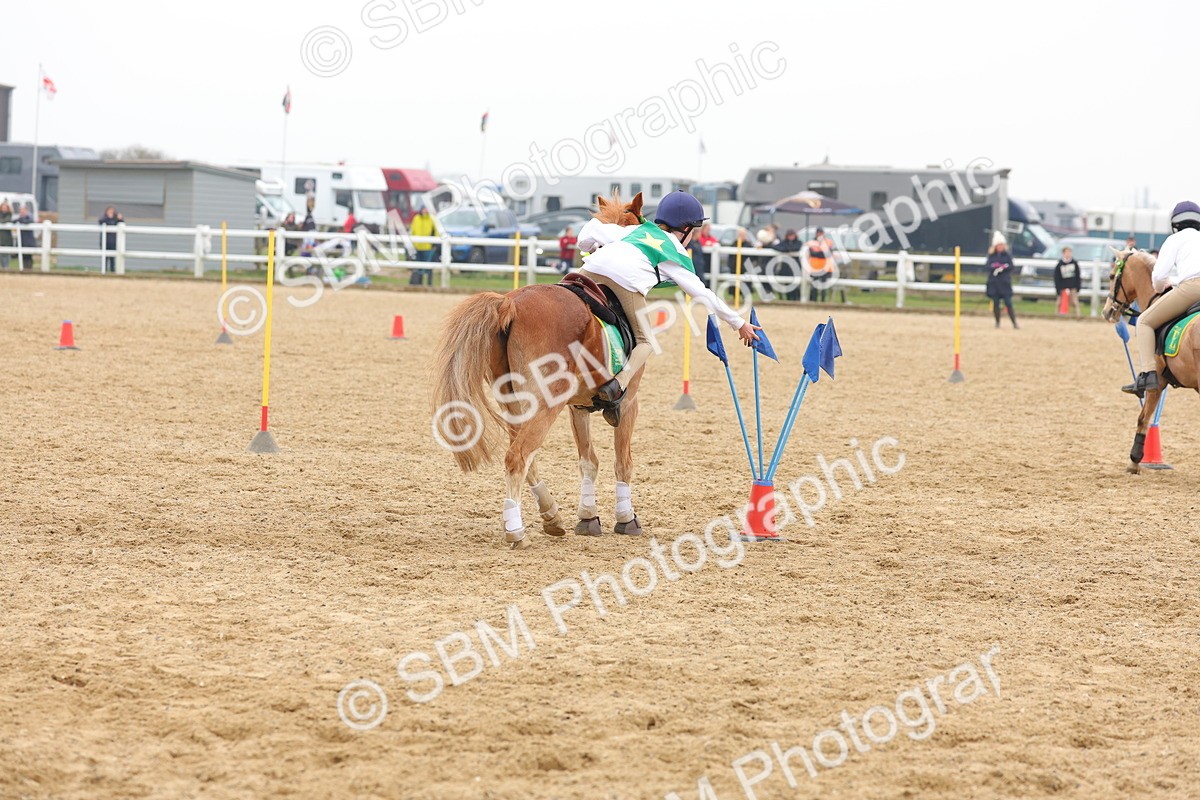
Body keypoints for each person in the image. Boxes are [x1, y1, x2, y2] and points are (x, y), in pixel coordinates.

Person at [575, 191, 759, 426]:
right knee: (645, 342)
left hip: (587, 272)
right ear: (684, 229)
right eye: (694, 231)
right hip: (625, 283)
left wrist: (591, 246)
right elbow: (702, 293)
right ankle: (616, 386)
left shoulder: (635, 230)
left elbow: (590, 229)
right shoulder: (673, 252)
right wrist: (739, 323)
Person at [1123, 200, 1200, 397]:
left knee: (1144, 321)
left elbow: (1158, 277)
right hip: (1190, 284)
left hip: (1191, 289)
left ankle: (1148, 375)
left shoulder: (1174, 240)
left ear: (1175, 223)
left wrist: (1161, 286)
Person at [985, 231, 1018, 329]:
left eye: (1001, 245)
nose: (1000, 247)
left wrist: (1003, 268)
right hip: (994, 284)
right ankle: (997, 322)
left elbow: (1011, 266)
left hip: (1004, 283)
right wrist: (995, 268)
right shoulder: (991, 256)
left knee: (1008, 303)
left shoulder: (1007, 256)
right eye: (998, 245)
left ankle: (1014, 322)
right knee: (996, 304)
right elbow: (988, 266)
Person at [409, 205, 437, 285]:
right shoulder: (416, 218)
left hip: (428, 247)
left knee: (429, 267)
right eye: (423, 209)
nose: (424, 211)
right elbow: (412, 231)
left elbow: (435, 232)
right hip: (417, 246)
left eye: (426, 209)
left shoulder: (432, 219)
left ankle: (429, 283)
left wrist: (435, 244)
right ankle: (419, 283)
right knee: (418, 266)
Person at [805, 227, 836, 302]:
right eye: (818, 233)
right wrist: (822, 253)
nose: (820, 234)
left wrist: (818, 253)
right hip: (815, 267)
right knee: (814, 286)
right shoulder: (811, 242)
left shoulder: (828, 242)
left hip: (825, 268)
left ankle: (823, 302)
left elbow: (828, 253)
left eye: (821, 233)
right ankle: (813, 301)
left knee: (823, 287)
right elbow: (812, 253)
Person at [774, 229, 803, 301]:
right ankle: (788, 299)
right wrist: (787, 249)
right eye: (789, 235)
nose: (791, 237)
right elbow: (775, 247)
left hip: (795, 267)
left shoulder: (798, 242)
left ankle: (796, 299)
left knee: (796, 285)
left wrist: (786, 249)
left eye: (792, 235)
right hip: (786, 267)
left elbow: (797, 248)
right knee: (787, 284)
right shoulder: (784, 242)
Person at [1053, 245, 1082, 316]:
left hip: (1073, 286)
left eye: (1069, 252)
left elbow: (1078, 276)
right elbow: (1057, 277)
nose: (1068, 254)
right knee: (1059, 302)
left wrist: (1078, 287)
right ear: (1063, 253)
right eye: (1066, 252)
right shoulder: (1059, 264)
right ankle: (1056, 315)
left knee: (1075, 302)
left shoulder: (1074, 263)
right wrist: (1058, 289)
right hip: (1062, 286)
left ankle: (1078, 315)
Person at [98, 206, 120, 273]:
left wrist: (119, 218)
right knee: (105, 257)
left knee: (112, 258)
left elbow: (121, 223)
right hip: (105, 241)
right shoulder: (104, 218)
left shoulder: (115, 219)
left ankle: (112, 271)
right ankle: (104, 271)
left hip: (113, 241)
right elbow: (100, 221)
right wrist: (108, 217)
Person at [16, 203, 36, 270]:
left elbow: (27, 221)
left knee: (29, 256)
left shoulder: (29, 217)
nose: (22, 212)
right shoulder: (20, 218)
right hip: (23, 240)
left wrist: (21, 220)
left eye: (23, 210)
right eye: (21, 211)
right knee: (23, 256)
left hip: (29, 241)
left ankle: (29, 269)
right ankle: (24, 269)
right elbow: (14, 221)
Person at [0, 199, 12, 270]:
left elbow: (6, 220)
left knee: (6, 254)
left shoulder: (9, 215)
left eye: (5, 208)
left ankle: (6, 268)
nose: (4, 209)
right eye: (3, 207)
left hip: (6, 238)